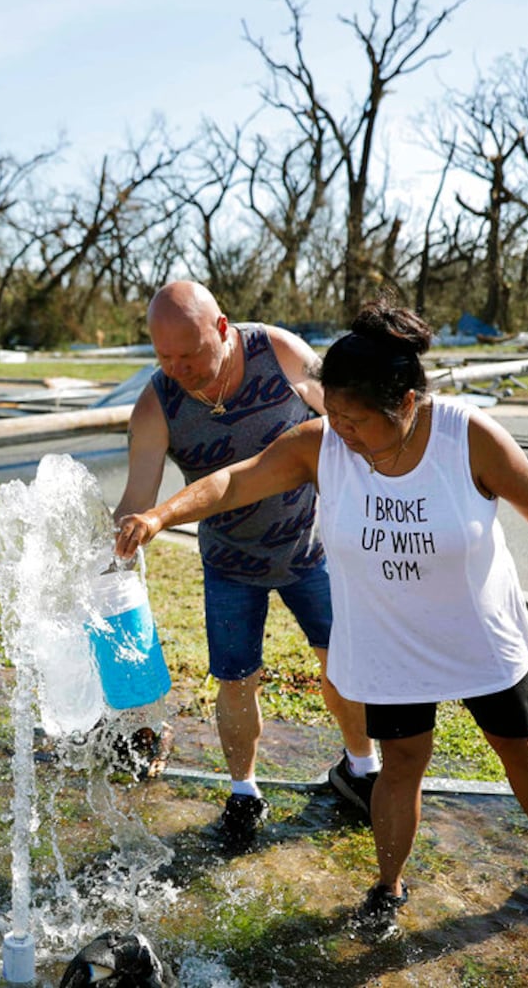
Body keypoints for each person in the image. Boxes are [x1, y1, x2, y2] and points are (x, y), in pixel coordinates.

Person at [114, 296, 528, 940]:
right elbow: (233, 482)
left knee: (519, 749)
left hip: (476, 630)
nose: (340, 431)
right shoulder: (324, 445)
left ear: (405, 404)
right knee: (401, 763)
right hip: (392, 639)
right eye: (335, 416)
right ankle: (387, 886)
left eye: (354, 420)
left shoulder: (470, 437)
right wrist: (159, 515)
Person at [114, 280, 378, 850]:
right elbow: (138, 495)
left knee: (344, 664)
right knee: (236, 681)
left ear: (223, 328)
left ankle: (362, 769)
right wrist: (113, 547)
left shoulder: (278, 353)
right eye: (165, 357)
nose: (179, 368)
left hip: (314, 548)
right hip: (229, 563)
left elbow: (349, 422)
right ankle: (243, 791)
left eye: (192, 354)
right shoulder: (157, 403)